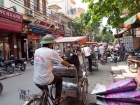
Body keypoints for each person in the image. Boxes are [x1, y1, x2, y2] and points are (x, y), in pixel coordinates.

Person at [33, 35, 72, 104]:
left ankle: (43, 100)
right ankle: (57, 98)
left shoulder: (37, 51)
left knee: (45, 91)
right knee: (59, 79)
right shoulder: (51, 52)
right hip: (46, 79)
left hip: (36, 79)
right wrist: (69, 65)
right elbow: (62, 62)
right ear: (50, 44)